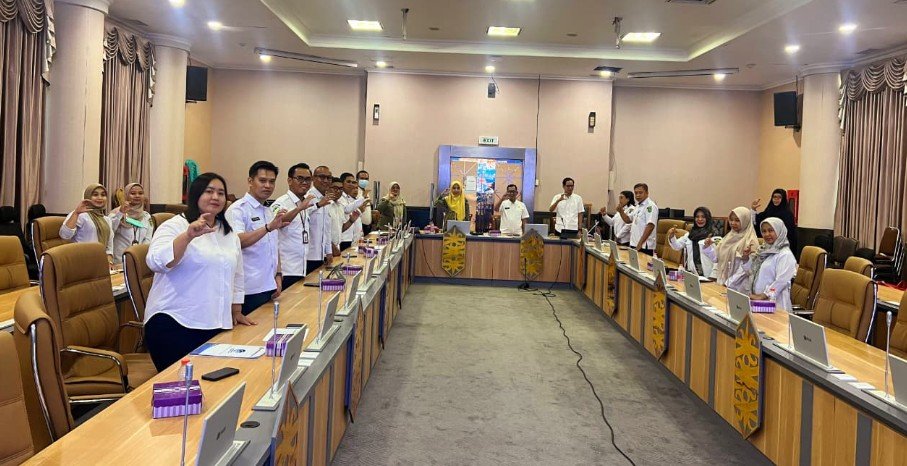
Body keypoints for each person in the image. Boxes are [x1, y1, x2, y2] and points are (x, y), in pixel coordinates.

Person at [143, 173, 256, 371]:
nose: (215, 197)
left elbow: (237, 274)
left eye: (221, 193)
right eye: (209, 191)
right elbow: (156, 262)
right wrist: (187, 236)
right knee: (185, 386)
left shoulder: (227, 232)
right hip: (175, 322)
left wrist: (236, 310)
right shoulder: (175, 225)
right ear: (196, 194)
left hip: (215, 322)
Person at [226, 161, 291, 315]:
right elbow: (237, 242)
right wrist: (268, 228)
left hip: (269, 285)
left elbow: (274, 246)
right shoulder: (238, 210)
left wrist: (279, 274)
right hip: (248, 289)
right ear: (250, 181)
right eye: (262, 181)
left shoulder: (268, 211)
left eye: (272, 182)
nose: (267, 186)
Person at [727, 217, 797, 310]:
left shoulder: (785, 254)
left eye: (771, 230)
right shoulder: (763, 251)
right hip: (758, 303)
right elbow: (751, 272)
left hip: (775, 305)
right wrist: (746, 258)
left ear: (779, 231)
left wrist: (764, 295)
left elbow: (782, 281)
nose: (767, 234)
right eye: (764, 231)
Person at [273, 163, 317, 290]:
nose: (305, 182)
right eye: (300, 178)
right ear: (289, 180)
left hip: (301, 268)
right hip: (286, 270)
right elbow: (277, 222)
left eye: (308, 179)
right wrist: (298, 209)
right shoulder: (281, 202)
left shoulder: (304, 203)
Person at [701, 207, 760, 287]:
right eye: (731, 220)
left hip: (738, 286)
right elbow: (717, 259)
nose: (733, 223)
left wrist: (728, 283)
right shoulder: (728, 237)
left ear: (745, 220)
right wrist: (708, 247)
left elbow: (745, 269)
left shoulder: (751, 241)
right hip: (723, 282)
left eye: (737, 220)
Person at [60, 183, 115, 266]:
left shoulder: (106, 219)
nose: (100, 198)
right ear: (88, 196)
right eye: (95, 195)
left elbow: (109, 246)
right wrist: (76, 213)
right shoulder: (80, 215)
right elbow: (65, 235)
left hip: (100, 263)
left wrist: (109, 262)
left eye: (103, 195)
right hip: (81, 262)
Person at [667, 206, 720, 278]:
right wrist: (671, 236)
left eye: (703, 217)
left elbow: (718, 259)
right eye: (697, 217)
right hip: (692, 274)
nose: (700, 219)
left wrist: (713, 277)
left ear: (708, 218)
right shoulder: (690, 234)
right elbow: (677, 246)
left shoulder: (714, 235)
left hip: (708, 276)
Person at [109, 182, 153, 265]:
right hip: (119, 261)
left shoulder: (146, 216)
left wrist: (141, 256)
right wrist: (121, 213)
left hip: (139, 260)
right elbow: (109, 232)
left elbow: (148, 239)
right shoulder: (116, 213)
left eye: (140, 193)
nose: (137, 196)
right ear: (126, 195)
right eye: (133, 193)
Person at [306, 166, 338, 272]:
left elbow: (326, 229)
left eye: (329, 178)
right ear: (313, 178)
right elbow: (301, 214)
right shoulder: (308, 196)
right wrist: (318, 205)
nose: (326, 181)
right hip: (308, 255)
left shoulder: (327, 199)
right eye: (322, 177)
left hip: (321, 254)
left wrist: (328, 251)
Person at [752, 188, 798, 253]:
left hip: (781, 248)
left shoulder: (788, 214)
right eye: (774, 197)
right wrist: (753, 209)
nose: (776, 199)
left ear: (783, 199)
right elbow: (757, 221)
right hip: (768, 246)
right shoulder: (768, 211)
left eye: (779, 197)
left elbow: (790, 234)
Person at [620, 183, 657, 254]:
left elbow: (650, 226)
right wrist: (621, 211)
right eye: (636, 193)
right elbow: (628, 220)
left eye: (640, 192)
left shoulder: (650, 206)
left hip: (643, 246)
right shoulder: (638, 206)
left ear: (647, 193)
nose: (638, 195)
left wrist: (640, 244)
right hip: (634, 244)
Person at [339, 172, 369, 251]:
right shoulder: (340, 197)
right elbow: (347, 209)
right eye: (348, 182)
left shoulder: (348, 198)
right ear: (342, 183)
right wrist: (362, 198)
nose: (351, 184)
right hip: (343, 237)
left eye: (352, 182)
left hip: (351, 236)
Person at [356, 170, 374, 235]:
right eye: (362, 178)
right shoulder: (355, 191)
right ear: (357, 179)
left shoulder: (365, 191)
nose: (364, 181)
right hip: (360, 225)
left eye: (366, 179)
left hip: (368, 225)